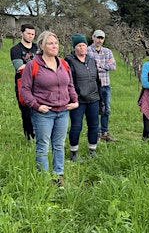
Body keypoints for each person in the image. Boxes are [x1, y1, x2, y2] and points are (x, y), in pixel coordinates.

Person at [19, 31, 79, 186]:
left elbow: (70, 85)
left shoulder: (63, 64)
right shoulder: (33, 65)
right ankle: (44, 179)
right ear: (41, 46)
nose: (54, 46)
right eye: (50, 43)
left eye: (56, 43)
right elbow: (24, 89)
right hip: (43, 114)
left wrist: (75, 100)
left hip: (63, 111)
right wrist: (37, 106)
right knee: (43, 146)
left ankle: (58, 177)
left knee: (59, 145)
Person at [65, 33, 102, 161]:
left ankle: (92, 150)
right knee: (76, 126)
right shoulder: (69, 61)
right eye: (79, 45)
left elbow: (97, 80)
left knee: (94, 125)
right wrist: (74, 96)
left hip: (93, 98)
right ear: (75, 47)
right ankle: (73, 152)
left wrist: (99, 98)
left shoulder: (91, 61)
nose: (82, 48)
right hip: (78, 99)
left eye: (84, 45)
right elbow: (68, 81)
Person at [87, 29, 117, 142]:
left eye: (101, 38)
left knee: (106, 109)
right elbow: (90, 67)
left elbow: (113, 66)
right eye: (97, 37)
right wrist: (104, 66)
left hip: (105, 84)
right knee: (95, 109)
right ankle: (96, 133)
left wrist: (100, 66)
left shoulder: (107, 51)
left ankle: (105, 132)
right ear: (93, 37)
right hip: (93, 85)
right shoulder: (88, 50)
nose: (99, 40)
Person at [10, 23, 38, 140]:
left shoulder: (38, 48)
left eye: (33, 34)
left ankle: (40, 135)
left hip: (38, 84)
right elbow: (20, 67)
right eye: (28, 33)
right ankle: (29, 138)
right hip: (23, 84)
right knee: (26, 112)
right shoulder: (16, 49)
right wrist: (38, 67)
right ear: (22, 33)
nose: (30, 36)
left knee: (38, 110)